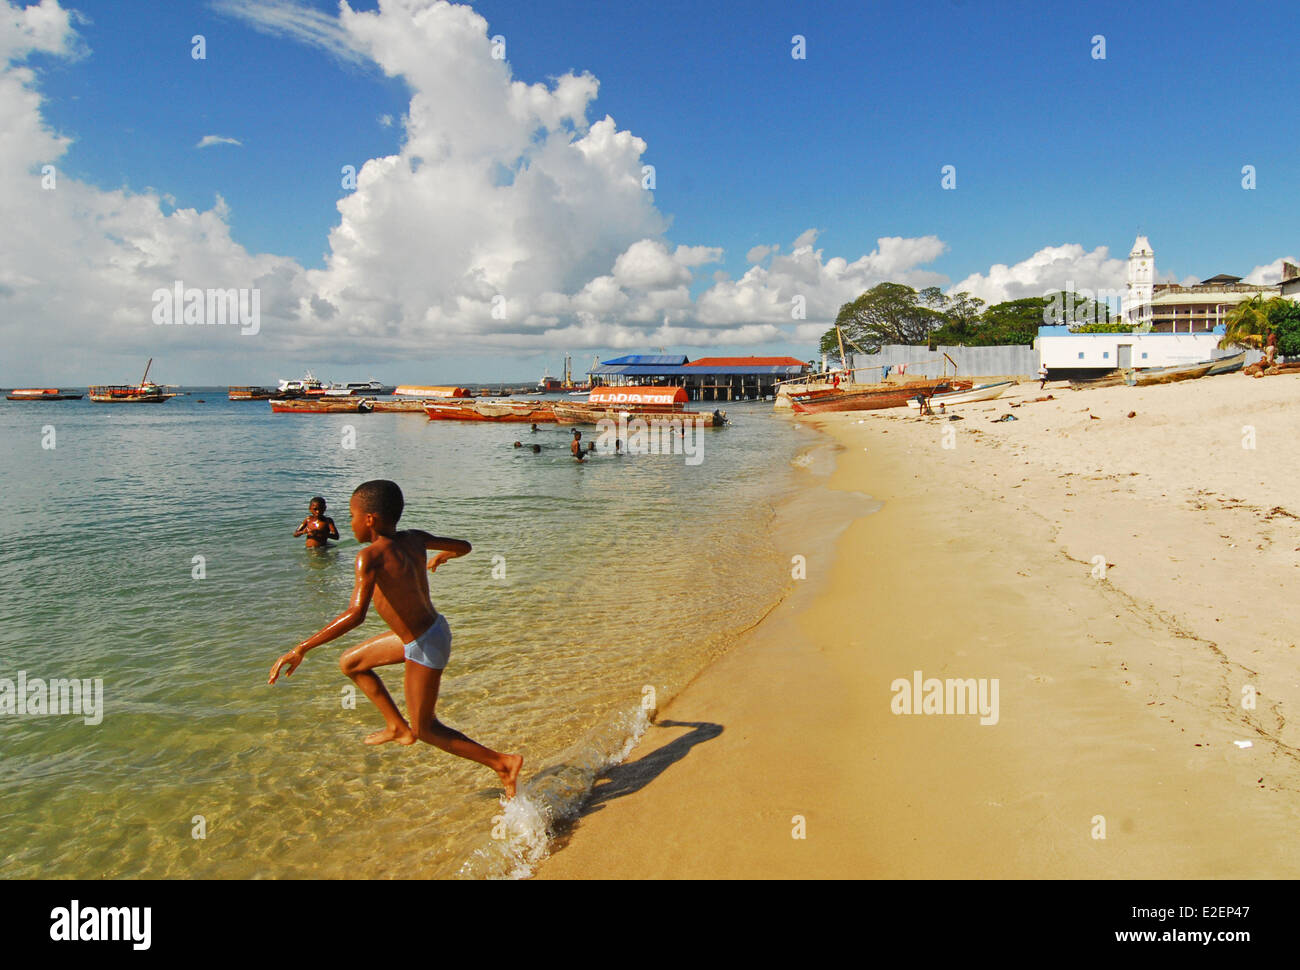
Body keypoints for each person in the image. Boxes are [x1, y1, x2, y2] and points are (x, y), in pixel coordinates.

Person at [268, 480, 523, 798]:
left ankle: (503, 763)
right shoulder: (415, 539)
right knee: (351, 663)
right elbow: (465, 546)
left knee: (426, 729)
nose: (350, 523)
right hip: (431, 632)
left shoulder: (369, 556)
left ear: (370, 519)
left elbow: (355, 615)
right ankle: (395, 727)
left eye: (352, 516)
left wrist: (302, 647)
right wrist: (443, 556)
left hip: (426, 645)